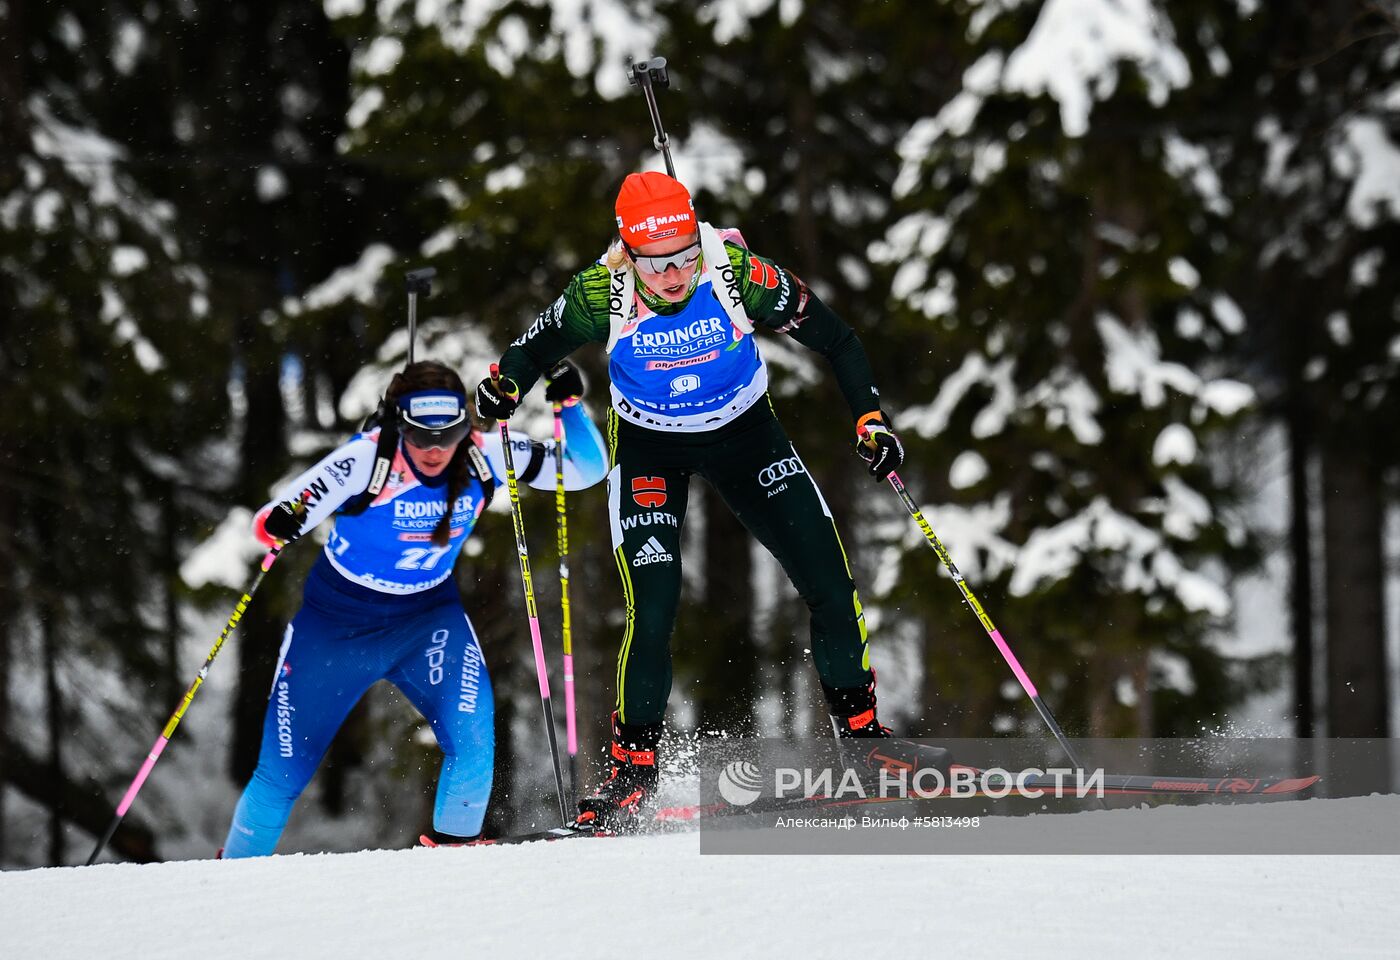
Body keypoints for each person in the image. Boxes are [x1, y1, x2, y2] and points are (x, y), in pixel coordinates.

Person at [475, 171, 945, 831]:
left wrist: (871, 420)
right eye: (657, 264)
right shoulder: (598, 293)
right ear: (628, 253)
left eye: (685, 257)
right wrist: (504, 384)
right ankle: (631, 774)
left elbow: (838, 338)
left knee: (829, 582)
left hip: (745, 435)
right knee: (655, 603)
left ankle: (862, 741)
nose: (674, 276)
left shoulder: (738, 275)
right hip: (649, 449)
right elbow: (533, 347)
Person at [222, 359, 606, 857]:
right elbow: (270, 521)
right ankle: (225, 885)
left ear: (466, 428)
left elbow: (585, 469)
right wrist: (283, 521)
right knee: (281, 775)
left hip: (428, 621)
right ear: (398, 425)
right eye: (420, 435)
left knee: (472, 746)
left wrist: (570, 406)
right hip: (337, 625)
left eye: (448, 435)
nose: (433, 449)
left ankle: (449, 876)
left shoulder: (485, 455)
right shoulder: (367, 460)